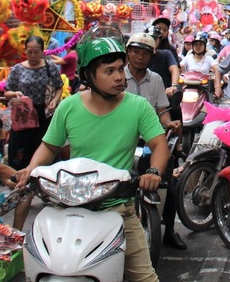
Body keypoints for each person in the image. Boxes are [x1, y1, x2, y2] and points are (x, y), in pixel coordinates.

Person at [16, 37, 169, 282]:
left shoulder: (139, 106)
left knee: (145, 278)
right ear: (88, 75)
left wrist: (154, 172)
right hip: (69, 204)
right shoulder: (69, 107)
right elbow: (48, 146)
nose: (119, 76)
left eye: (120, 68)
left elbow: (159, 144)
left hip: (117, 207)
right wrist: (30, 170)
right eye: (109, 71)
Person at [125, 32, 186, 250]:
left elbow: (162, 111)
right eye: (135, 52)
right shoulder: (116, 77)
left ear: (151, 56)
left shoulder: (157, 79)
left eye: (144, 53)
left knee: (169, 179)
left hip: (150, 140)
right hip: (123, 140)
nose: (139, 57)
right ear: (128, 53)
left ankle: (169, 230)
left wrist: (169, 124)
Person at [4, 35, 64, 170]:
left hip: (44, 114)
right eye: (29, 52)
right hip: (24, 115)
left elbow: (59, 87)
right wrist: (15, 95)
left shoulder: (50, 67)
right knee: (22, 148)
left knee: (45, 145)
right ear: (25, 51)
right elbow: (7, 92)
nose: (33, 55)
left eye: (36, 52)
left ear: (42, 51)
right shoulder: (17, 69)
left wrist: (55, 100)